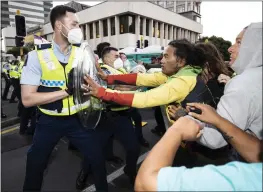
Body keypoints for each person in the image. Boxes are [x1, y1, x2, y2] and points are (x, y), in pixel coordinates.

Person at [20, 5, 107, 191]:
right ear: (59, 26)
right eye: (74, 24)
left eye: (79, 25)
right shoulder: (36, 56)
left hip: (79, 119)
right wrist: (67, 91)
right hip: (49, 122)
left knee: (98, 160)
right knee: (35, 165)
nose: (79, 29)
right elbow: (27, 99)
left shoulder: (83, 53)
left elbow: (95, 83)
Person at [83, 39, 207, 123]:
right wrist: (108, 78)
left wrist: (102, 93)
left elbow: (145, 98)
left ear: (181, 61)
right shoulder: (181, 73)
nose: (161, 61)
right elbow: (142, 78)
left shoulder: (181, 82)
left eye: (166, 56)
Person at [134, 116, 263, 191]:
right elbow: (254, 152)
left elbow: (145, 184)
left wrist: (176, 131)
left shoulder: (245, 178)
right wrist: (217, 119)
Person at [76, 47, 140, 190]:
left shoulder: (121, 70)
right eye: (115, 56)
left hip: (122, 116)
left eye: (119, 55)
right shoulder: (103, 71)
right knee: (93, 151)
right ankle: (84, 173)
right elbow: (120, 87)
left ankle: (130, 170)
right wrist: (138, 86)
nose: (119, 58)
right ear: (105, 59)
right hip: (105, 117)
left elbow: (127, 84)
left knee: (134, 148)